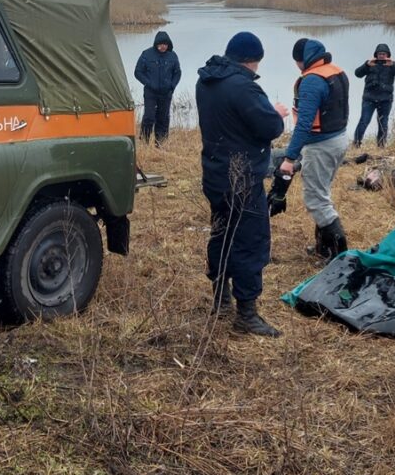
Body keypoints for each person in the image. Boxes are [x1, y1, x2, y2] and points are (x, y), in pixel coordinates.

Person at [196, 32, 287, 336]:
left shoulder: (205, 82)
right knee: (250, 242)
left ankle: (220, 300)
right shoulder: (244, 87)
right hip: (243, 179)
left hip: (215, 174)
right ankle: (246, 314)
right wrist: (277, 113)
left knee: (221, 234)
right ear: (252, 60)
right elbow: (271, 127)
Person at [278, 38, 350, 260]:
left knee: (316, 200)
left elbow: (305, 123)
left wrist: (290, 157)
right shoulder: (336, 71)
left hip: (321, 145)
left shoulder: (312, 80)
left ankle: (340, 257)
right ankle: (323, 249)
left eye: (297, 62)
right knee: (322, 193)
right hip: (339, 139)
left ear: (302, 59)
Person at [352, 43, 395, 147]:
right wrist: (366, 65)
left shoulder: (392, 64)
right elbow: (357, 74)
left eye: (384, 54)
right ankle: (356, 144)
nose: (381, 56)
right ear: (376, 55)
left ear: (388, 55)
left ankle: (381, 146)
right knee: (364, 120)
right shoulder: (370, 64)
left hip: (385, 99)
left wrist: (394, 66)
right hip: (369, 99)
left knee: (383, 123)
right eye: (379, 54)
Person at [134, 31, 181, 145]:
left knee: (163, 119)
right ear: (156, 44)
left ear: (168, 44)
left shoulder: (173, 56)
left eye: (165, 44)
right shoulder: (146, 54)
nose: (163, 46)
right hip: (151, 93)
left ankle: (160, 144)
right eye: (160, 44)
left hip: (166, 93)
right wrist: (148, 83)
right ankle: (144, 141)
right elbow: (138, 72)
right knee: (149, 117)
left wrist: (172, 86)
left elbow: (177, 73)